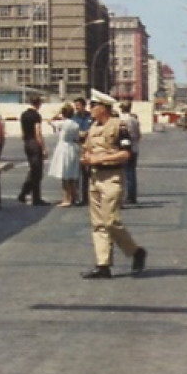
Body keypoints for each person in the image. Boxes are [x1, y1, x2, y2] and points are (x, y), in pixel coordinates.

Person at [78, 94, 147, 279]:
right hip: (94, 177)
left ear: (103, 108)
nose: (91, 109)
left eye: (93, 105)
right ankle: (103, 264)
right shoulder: (93, 127)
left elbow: (126, 154)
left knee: (110, 221)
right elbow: (87, 148)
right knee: (98, 224)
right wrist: (85, 158)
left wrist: (100, 159)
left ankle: (135, 251)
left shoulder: (118, 126)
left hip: (112, 177)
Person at [46, 105, 82, 207]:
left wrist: (57, 114)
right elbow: (77, 138)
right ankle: (75, 197)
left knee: (64, 174)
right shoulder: (75, 124)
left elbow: (49, 121)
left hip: (63, 147)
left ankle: (67, 198)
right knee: (72, 174)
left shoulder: (62, 123)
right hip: (73, 147)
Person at [17, 94, 49, 205]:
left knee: (33, 169)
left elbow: (23, 131)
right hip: (34, 143)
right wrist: (43, 148)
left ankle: (25, 193)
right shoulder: (36, 116)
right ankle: (34, 197)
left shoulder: (24, 115)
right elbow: (38, 132)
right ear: (39, 103)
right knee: (37, 172)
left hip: (27, 142)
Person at [118, 98, 142, 205]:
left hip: (124, 148)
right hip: (134, 147)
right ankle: (132, 195)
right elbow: (138, 134)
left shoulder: (121, 120)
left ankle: (126, 195)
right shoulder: (134, 120)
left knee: (124, 173)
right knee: (131, 172)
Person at [72, 97, 93, 204]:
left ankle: (87, 197)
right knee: (76, 173)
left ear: (84, 106)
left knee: (87, 174)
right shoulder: (74, 118)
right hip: (77, 146)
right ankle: (76, 197)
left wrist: (87, 132)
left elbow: (94, 127)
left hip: (89, 147)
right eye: (75, 105)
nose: (76, 107)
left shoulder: (91, 117)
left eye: (78, 105)